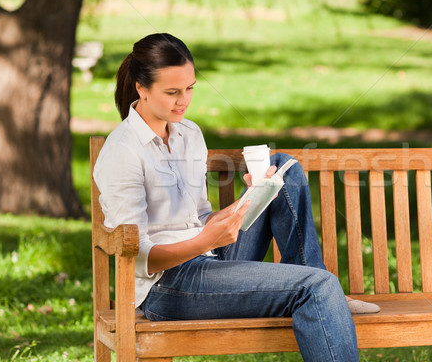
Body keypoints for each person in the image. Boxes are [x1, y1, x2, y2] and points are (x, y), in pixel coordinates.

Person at [93, 33, 379, 361]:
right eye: (171, 92)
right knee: (319, 285)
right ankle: (322, 294)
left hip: (208, 258)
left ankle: (317, 289)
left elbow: (199, 217)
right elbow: (138, 257)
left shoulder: (189, 134)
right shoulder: (123, 151)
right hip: (166, 286)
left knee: (283, 167)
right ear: (142, 88)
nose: (183, 101)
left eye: (189, 89)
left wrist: (252, 198)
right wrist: (203, 243)